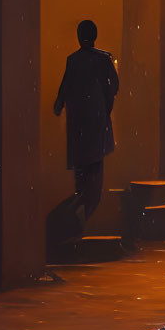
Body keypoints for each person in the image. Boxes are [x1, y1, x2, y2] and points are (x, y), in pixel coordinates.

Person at [53, 19, 119, 221]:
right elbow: (114, 86)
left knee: (81, 169)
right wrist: (106, 105)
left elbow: (63, 89)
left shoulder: (73, 60)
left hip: (79, 123)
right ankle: (87, 210)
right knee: (95, 168)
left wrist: (59, 105)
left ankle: (81, 207)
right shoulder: (104, 59)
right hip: (96, 121)